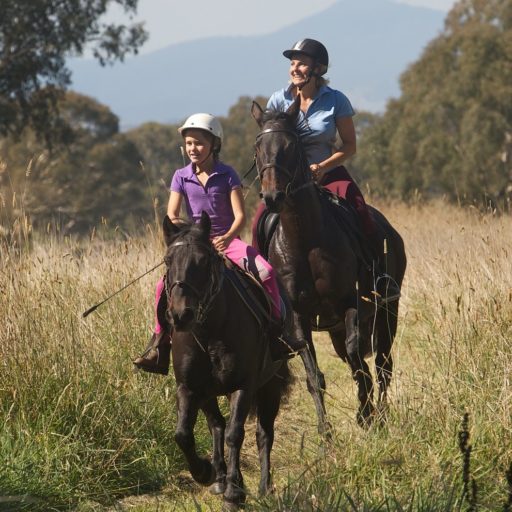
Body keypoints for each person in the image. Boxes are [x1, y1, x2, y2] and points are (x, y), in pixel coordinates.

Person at [133, 113, 306, 375]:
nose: (193, 149)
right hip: (196, 242)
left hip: (228, 241)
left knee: (266, 273)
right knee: (161, 288)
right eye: (189, 143)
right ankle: (160, 345)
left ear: (214, 144)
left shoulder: (227, 174)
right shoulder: (180, 176)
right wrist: (188, 235)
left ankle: (278, 335)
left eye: (199, 143)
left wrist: (226, 238)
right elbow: (172, 215)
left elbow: (240, 216)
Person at [251, 38, 400, 303]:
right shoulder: (278, 99)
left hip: (328, 174)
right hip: (288, 182)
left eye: (302, 63)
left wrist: (323, 166)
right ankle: (261, 286)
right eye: (292, 63)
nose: (294, 68)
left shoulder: (335, 100)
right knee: (259, 221)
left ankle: (379, 277)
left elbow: (350, 146)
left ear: (318, 69)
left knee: (361, 211)